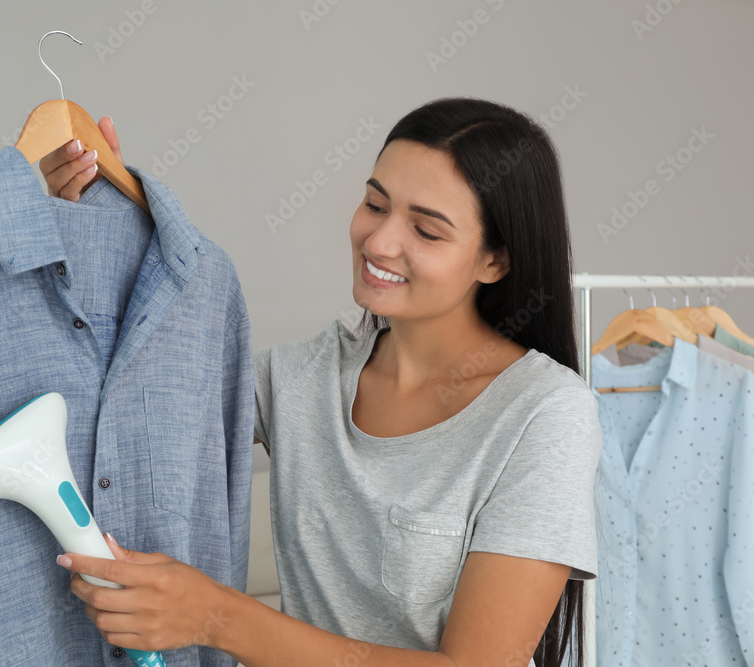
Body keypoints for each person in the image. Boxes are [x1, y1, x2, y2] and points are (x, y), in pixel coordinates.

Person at [43, 98, 603, 667]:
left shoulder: (545, 413)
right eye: (374, 204)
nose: (380, 242)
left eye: (426, 231)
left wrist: (217, 616)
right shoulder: (299, 377)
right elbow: (134, 399)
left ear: (495, 260)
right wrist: (91, 226)